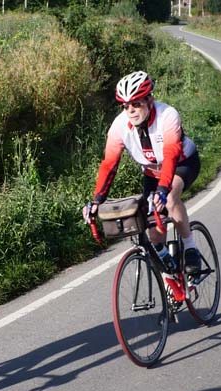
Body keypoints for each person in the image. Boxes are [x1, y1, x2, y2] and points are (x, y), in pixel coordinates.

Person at [83, 70, 202, 275]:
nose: (131, 110)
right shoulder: (119, 126)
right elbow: (109, 164)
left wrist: (163, 190)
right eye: (126, 106)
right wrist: (97, 200)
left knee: (170, 199)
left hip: (182, 164)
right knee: (154, 234)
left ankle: (190, 247)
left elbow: (171, 156)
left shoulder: (167, 116)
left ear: (149, 100)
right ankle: (170, 273)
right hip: (151, 173)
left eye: (136, 104)